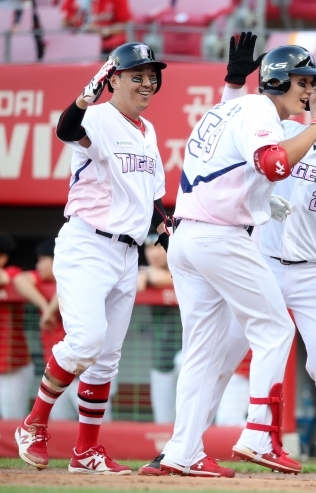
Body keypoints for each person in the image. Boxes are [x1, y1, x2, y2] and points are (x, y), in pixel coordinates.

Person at [154, 40, 316, 478]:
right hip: (221, 236)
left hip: (189, 237)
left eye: (314, 84)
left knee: (202, 352)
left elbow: (241, 135)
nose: (311, 90)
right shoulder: (260, 111)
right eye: (303, 81)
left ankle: (181, 452)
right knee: (275, 329)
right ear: (276, 80)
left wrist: (233, 82)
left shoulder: (233, 106)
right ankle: (258, 434)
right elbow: (274, 165)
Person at [15, 42, 168, 475]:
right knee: (85, 340)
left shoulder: (147, 130)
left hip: (127, 252)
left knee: (107, 358)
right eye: (136, 74)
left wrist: (165, 227)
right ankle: (34, 423)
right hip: (88, 242)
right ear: (112, 78)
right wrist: (86, 96)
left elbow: (154, 195)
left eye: (150, 75)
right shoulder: (95, 117)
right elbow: (66, 130)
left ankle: (86, 452)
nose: (146, 82)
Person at [13, 239, 80, 421]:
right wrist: (44, 305)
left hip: (84, 373)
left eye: (44, 259)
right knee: (59, 429)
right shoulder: (40, 283)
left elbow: (68, 285)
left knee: (96, 427)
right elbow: (19, 279)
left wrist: (48, 311)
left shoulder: (79, 277)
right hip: (56, 374)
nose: (38, 264)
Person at [137, 233, 180, 424]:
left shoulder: (186, 268)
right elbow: (137, 283)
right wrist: (146, 273)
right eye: (149, 247)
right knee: (163, 421)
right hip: (161, 358)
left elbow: (172, 277)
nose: (154, 253)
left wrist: (150, 274)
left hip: (190, 355)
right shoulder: (143, 271)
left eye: (159, 246)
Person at [0, 233, 33, 420]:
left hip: (12, 365)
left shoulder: (14, 274)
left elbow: (4, 278)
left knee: (12, 423)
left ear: (3, 257)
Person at [60, 0, 132, 54]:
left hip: (106, 46)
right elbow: (63, 23)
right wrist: (69, 22)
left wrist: (102, 30)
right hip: (78, 45)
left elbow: (126, 25)